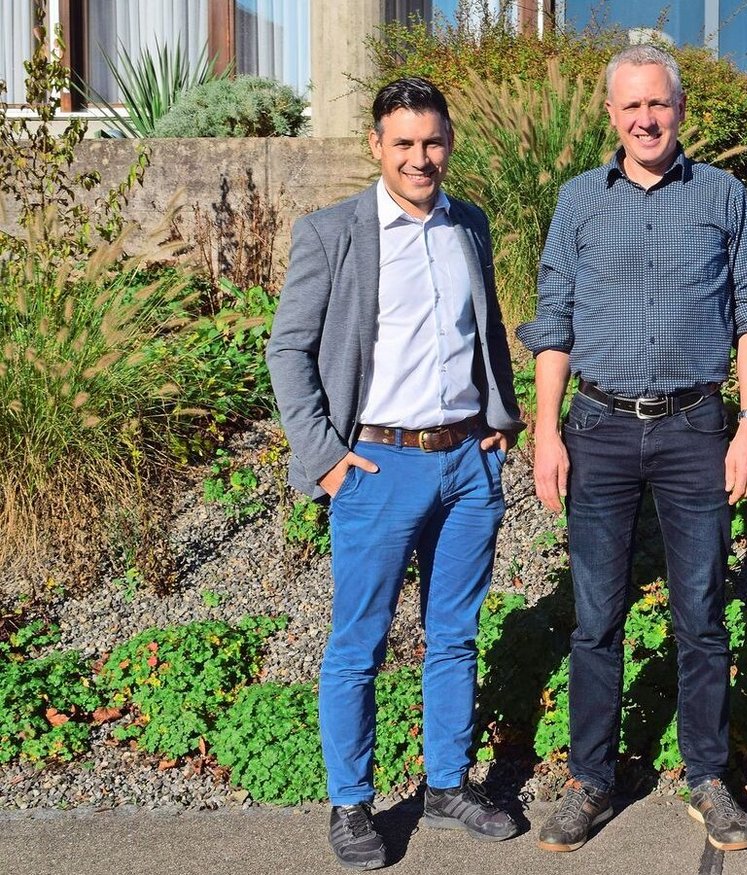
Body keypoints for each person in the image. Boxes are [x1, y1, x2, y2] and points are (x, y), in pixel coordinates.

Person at [516, 44, 747, 854]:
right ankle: (592, 777)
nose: (645, 119)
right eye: (630, 107)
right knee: (596, 617)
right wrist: (545, 431)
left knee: (700, 614)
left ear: (679, 109)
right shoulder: (577, 202)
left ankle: (707, 774)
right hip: (596, 430)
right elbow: (552, 321)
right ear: (610, 114)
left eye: (657, 104)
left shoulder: (725, 197)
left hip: (697, 428)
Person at [267, 77, 525, 870]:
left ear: (449, 143)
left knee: (455, 635)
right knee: (359, 644)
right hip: (377, 465)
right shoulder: (332, 232)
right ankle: (351, 804)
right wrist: (325, 458)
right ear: (377, 146)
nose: (421, 157)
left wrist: (500, 421)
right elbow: (288, 351)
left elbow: (486, 334)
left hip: (465, 464)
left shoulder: (468, 225)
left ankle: (446, 785)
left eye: (433, 141)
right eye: (404, 143)